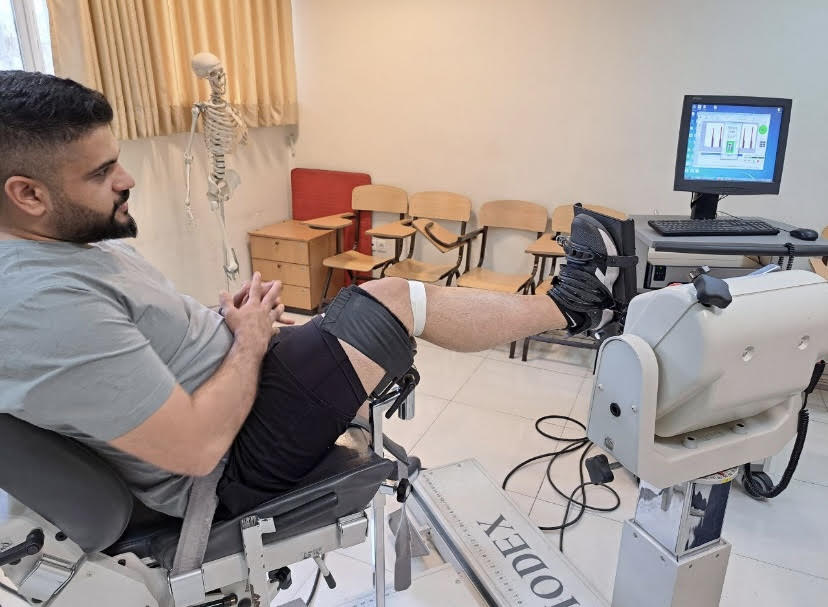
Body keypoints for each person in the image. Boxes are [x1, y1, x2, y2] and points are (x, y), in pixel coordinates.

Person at [0, 71, 626, 518]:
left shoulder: (63, 243)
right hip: (229, 465)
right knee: (392, 301)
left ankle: (572, 305)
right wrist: (247, 342)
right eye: (102, 172)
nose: (127, 178)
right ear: (27, 194)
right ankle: (573, 305)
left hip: (243, 393)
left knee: (376, 303)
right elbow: (194, 450)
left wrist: (227, 323)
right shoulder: (39, 304)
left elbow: (138, 342)